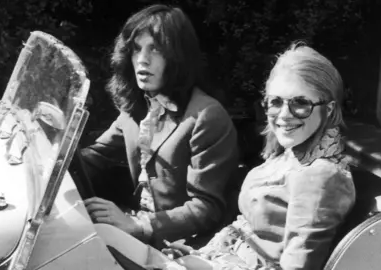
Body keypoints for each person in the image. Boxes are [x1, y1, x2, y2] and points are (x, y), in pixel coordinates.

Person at [163, 42, 357, 270]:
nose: (284, 115)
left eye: (301, 103)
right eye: (275, 102)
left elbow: (295, 266)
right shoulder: (288, 155)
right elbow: (247, 231)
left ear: (330, 110)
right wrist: (200, 257)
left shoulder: (321, 175)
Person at [79, 4, 239, 249]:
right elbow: (96, 156)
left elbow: (206, 207)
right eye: (136, 49)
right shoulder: (138, 107)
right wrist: (49, 166)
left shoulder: (207, 116)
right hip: (136, 224)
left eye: (156, 49)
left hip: (183, 246)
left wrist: (140, 226)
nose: (142, 60)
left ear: (178, 57)